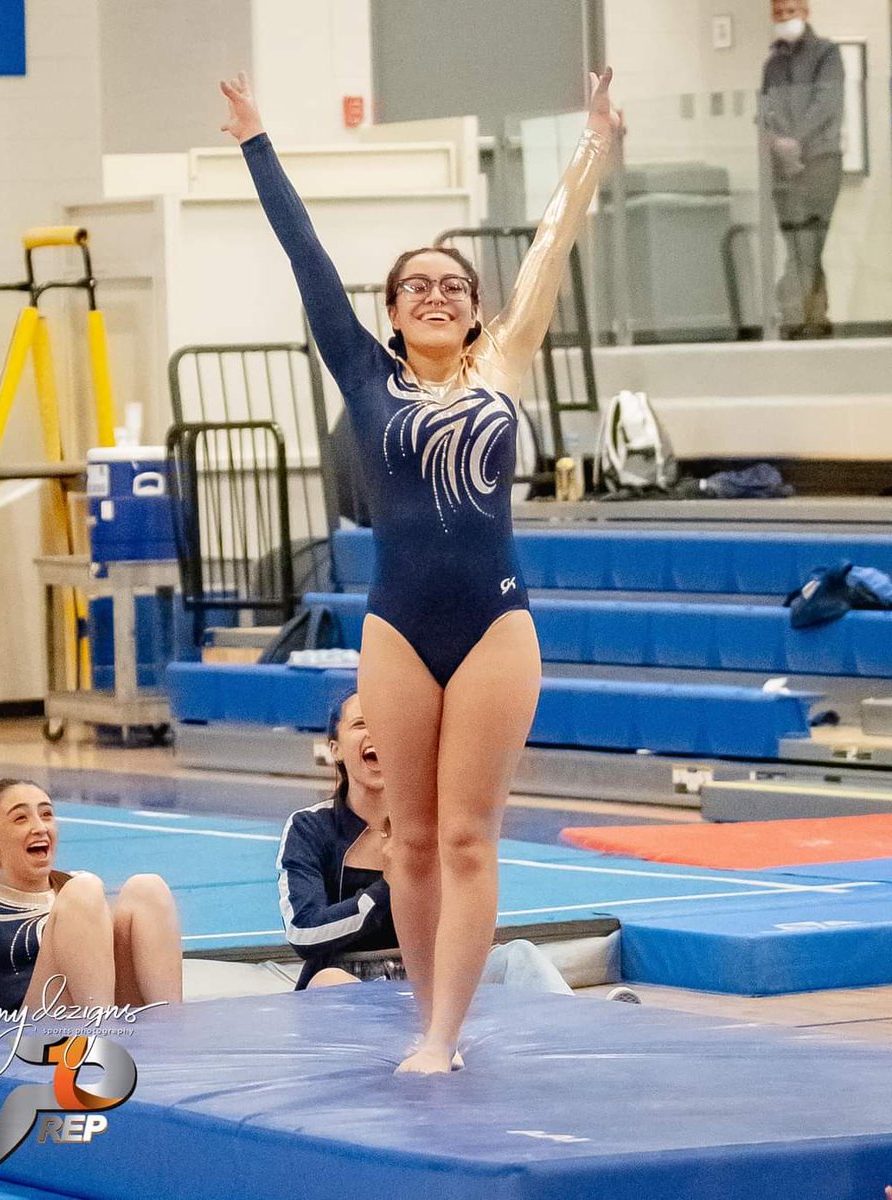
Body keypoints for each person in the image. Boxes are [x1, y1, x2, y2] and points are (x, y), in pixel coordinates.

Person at [221, 69, 618, 1073]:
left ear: (476, 312)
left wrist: (594, 145)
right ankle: (430, 1024)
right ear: (392, 314)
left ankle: (445, 1033)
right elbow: (305, 255)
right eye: (416, 287)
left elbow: (551, 248)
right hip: (396, 625)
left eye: (454, 286)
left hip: (495, 626)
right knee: (411, 839)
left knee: (471, 839)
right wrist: (257, 142)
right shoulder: (363, 373)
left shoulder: (507, 364)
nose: (436, 296)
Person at [277, 694, 640, 1005]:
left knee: (519, 956)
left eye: (388, 725)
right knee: (330, 984)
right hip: (345, 974)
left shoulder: (434, 822)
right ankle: (410, 1044)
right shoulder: (310, 828)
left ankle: (584, 1024)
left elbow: (469, 911)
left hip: (431, 971)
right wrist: (386, 890)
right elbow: (304, 933)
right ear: (336, 749)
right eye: (360, 725)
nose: (376, 734)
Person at [0, 778, 182, 1020]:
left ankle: (173, 1034)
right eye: (21, 818)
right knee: (82, 890)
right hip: (28, 1032)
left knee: (147, 888)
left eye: (47, 815)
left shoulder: (77, 888)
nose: (40, 827)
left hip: (107, 1012)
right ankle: (100, 1036)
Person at [760, 0, 844, 339]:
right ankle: (813, 319)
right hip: (782, 166)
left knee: (811, 242)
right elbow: (766, 107)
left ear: (805, 12)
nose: (784, 18)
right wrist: (779, 141)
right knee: (797, 244)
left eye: (790, 11)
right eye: (778, 13)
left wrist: (796, 139)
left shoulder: (827, 54)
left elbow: (826, 102)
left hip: (821, 161)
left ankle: (798, 314)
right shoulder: (772, 64)